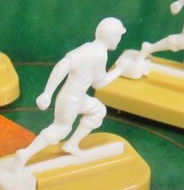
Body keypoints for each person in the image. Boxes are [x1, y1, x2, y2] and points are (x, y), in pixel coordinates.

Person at [14, 18, 128, 166]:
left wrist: (48, 93)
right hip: (71, 100)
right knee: (60, 129)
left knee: (98, 110)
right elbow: (99, 83)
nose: (119, 40)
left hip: (76, 98)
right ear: (113, 37)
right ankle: (25, 154)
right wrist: (120, 70)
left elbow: (63, 65)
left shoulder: (88, 48)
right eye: (118, 36)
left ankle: (72, 145)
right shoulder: (100, 54)